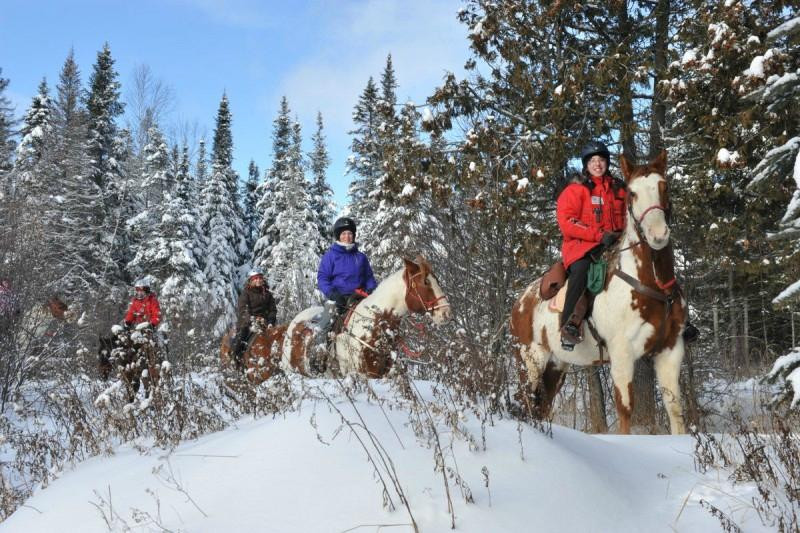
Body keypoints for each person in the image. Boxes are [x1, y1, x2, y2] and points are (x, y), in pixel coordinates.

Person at [556, 141, 626, 351]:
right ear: (586, 165)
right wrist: (598, 236)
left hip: (616, 244)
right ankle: (570, 323)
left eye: (601, 160)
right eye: (593, 161)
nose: (598, 164)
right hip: (582, 247)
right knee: (582, 269)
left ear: (607, 162)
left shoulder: (619, 189)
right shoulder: (576, 191)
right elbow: (567, 222)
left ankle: (675, 316)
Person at [317, 217, 377, 319]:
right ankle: (320, 334)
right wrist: (332, 293)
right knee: (326, 324)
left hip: (359, 297)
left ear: (353, 235)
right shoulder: (330, 256)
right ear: (338, 236)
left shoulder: (360, 257)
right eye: (343, 234)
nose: (347, 237)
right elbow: (323, 278)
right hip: (338, 299)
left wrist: (371, 289)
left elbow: (369, 277)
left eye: (350, 233)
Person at [232, 268, 277, 368]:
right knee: (241, 338)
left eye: (260, 278)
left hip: (265, 323)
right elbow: (243, 310)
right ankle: (235, 359)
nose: (258, 280)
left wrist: (270, 322)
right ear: (251, 280)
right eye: (255, 278)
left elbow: (272, 310)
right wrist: (253, 319)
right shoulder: (246, 294)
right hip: (247, 323)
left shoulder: (268, 294)